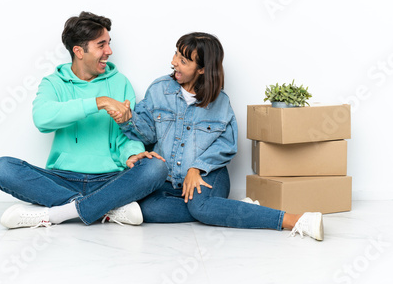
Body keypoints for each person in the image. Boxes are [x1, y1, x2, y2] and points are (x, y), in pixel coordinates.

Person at [109, 32, 324, 240]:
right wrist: (128, 119)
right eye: (176, 54)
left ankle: (294, 220)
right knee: (145, 209)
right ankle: (230, 208)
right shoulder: (159, 89)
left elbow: (227, 144)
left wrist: (197, 167)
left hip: (209, 172)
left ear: (202, 69)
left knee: (200, 206)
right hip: (169, 178)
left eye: (183, 60)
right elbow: (148, 133)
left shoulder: (220, 102)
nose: (174, 62)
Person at [0, 11, 167, 229]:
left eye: (109, 44)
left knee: (156, 167)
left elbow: (126, 134)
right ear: (78, 51)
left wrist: (131, 154)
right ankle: (107, 208)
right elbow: (42, 119)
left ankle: (60, 213)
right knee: (2, 168)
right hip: (60, 180)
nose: (109, 51)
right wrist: (98, 102)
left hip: (111, 180)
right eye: (101, 45)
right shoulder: (54, 83)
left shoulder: (120, 83)